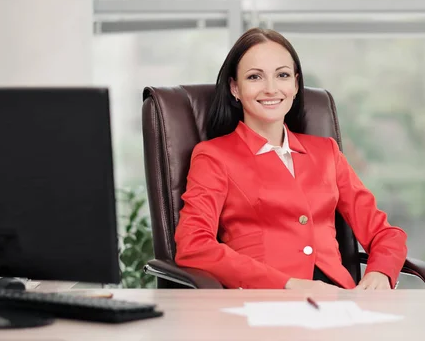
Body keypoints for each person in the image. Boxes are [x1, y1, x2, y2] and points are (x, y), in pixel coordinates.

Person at [174, 28, 407, 290]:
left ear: (295, 84)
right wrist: (289, 284)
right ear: (234, 88)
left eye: (282, 75)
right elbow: (193, 245)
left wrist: (380, 273)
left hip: (338, 300)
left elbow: (385, 233)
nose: (271, 88)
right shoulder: (214, 156)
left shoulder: (326, 153)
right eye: (255, 77)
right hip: (264, 302)